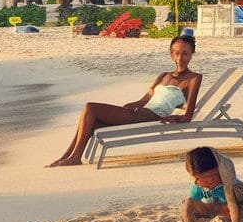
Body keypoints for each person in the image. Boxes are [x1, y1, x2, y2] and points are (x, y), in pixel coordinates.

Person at [47, 35, 202, 167]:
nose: (180, 58)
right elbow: (144, 100)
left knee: (90, 108)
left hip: (153, 117)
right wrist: (128, 107)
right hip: (139, 113)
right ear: (171, 54)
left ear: (192, 54)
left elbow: (188, 113)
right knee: (92, 121)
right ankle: (68, 156)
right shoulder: (163, 76)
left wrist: (177, 117)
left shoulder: (194, 78)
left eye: (185, 54)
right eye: (176, 53)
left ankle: (74, 157)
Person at [182, 146, 243, 222]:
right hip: (213, 202)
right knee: (188, 205)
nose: (212, 180)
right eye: (206, 177)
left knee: (240, 212)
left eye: (214, 175)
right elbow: (188, 206)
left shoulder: (226, 173)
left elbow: (231, 202)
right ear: (196, 178)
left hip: (232, 195)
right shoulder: (196, 184)